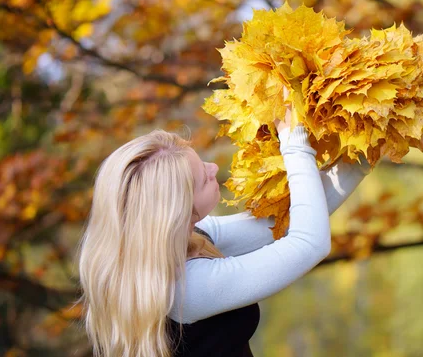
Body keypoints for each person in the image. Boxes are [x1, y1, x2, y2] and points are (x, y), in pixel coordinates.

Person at [77, 89, 372, 357]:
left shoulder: (184, 240)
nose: (213, 168)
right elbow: (308, 244)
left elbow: (288, 218)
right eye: (203, 176)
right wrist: (293, 141)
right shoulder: (185, 290)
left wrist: (370, 146)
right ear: (178, 211)